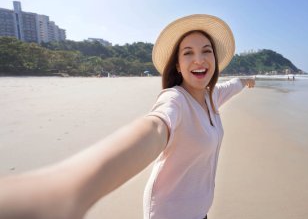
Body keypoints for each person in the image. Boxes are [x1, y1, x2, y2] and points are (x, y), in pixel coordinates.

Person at [0, 14, 255, 219]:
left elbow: (233, 85)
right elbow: (154, 129)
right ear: (177, 64)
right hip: (170, 213)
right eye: (188, 53)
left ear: (215, 58)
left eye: (206, 51)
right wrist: (72, 186)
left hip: (200, 210)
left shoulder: (212, 96)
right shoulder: (175, 100)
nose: (199, 59)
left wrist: (248, 80)